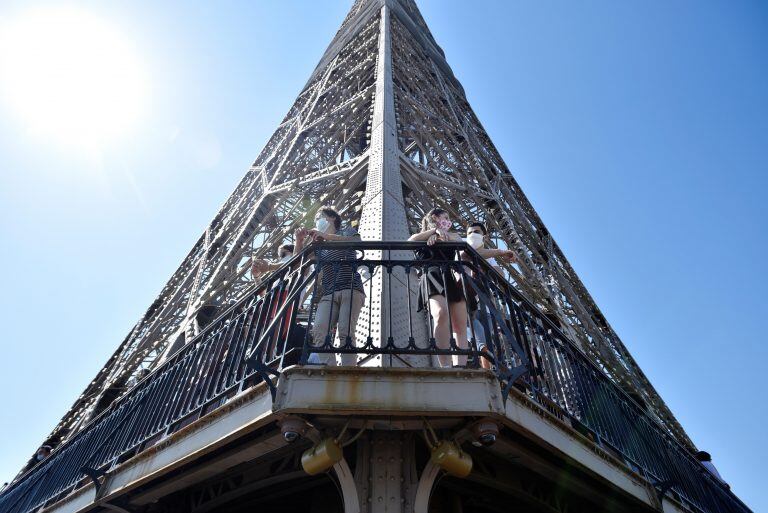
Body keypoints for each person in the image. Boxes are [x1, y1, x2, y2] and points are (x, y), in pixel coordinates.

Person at [296, 206, 365, 366]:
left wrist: (326, 236)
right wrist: (299, 241)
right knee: (319, 330)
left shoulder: (345, 231)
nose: (316, 222)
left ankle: (348, 372)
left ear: (332, 218)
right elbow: (299, 264)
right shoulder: (318, 243)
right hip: (328, 293)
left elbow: (357, 241)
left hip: (351, 288)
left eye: (319, 217)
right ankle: (330, 370)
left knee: (345, 331)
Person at [408, 208, 470, 368]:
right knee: (441, 314)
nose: (448, 221)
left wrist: (444, 237)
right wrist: (433, 232)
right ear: (434, 217)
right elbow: (410, 241)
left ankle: (461, 366)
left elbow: (462, 243)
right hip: (432, 274)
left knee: (460, 324)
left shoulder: (452, 235)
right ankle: (446, 365)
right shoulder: (423, 235)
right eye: (446, 217)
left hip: (448, 276)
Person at [463, 222, 517, 369]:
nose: (473, 234)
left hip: (486, 305)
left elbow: (499, 275)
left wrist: (498, 267)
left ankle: (489, 370)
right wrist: (500, 252)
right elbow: (469, 254)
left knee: (485, 341)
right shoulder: (462, 245)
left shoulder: (490, 257)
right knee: (480, 341)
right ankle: (488, 370)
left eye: (477, 232)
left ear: (484, 236)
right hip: (466, 300)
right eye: (470, 232)